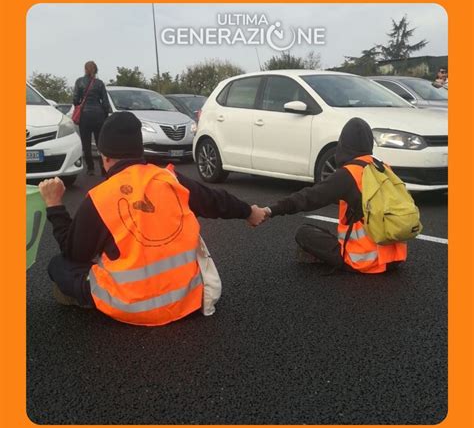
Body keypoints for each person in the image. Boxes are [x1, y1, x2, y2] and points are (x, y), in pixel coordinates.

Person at [39, 112, 267, 326]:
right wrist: (250, 212)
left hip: (130, 306)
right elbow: (217, 201)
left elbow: (74, 253)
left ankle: (87, 300)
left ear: (104, 157)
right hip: (186, 300)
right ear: (140, 151)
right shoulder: (170, 179)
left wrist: (54, 205)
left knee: (58, 265)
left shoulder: (100, 197)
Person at [259, 118, 407, 274]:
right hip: (394, 259)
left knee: (304, 232)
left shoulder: (349, 174)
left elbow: (309, 197)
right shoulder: (382, 167)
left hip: (364, 260)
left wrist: (271, 210)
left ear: (343, 144)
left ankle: (336, 258)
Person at [73, 60, 111, 176]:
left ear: (85, 69)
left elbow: (75, 99)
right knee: (101, 144)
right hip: (98, 115)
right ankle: (104, 168)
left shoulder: (79, 82)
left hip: (85, 116)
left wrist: (79, 106)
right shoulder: (99, 83)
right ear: (96, 70)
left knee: (86, 143)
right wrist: (105, 115)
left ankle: (90, 168)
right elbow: (105, 102)